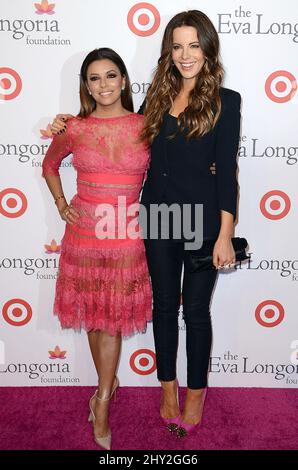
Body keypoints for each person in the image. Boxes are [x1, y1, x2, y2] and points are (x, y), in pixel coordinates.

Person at [51, 9, 241, 439]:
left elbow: (226, 170)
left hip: (200, 222)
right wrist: (66, 122)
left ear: (208, 48)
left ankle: (195, 392)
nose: (185, 54)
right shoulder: (156, 94)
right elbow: (111, 131)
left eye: (194, 45)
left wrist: (225, 233)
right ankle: (167, 386)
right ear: (167, 52)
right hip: (154, 217)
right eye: (177, 46)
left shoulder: (226, 102)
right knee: (161, 308)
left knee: (195, 311)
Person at [42, 48, 152, 450]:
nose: (103, 85)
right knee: (94, 318)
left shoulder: (146, 125)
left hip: (125, 236)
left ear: (123, 80)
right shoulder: (74, 127)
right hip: (84, 237)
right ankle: (105, 389)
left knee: (112, 320)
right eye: (94, 78)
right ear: (85, 85)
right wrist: (61, 205)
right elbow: (50, 165)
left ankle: (101, 399)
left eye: (110, 75)